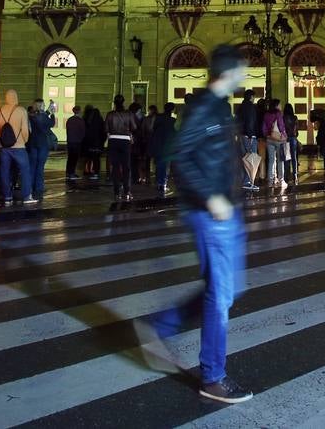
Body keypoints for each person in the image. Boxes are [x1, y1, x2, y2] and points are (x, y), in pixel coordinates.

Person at [135, 44, 252, 404]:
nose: (246, 74)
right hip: (210, 213)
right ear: (228, 72)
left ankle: (158, 327)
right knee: (220, 296)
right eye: (242, 69)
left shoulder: (219, 106)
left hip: (225, 211)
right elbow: (180, 157)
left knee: (228, 289)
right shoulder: (202, 107)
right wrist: (211, 198)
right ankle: (213, 376)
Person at [0, 90, 31, 205]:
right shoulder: (21, 110)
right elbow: (25, 129)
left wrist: (3, 140)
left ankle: (7, 197)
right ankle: (26, 196)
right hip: (19, 146)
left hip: (4, 147)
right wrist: (25, 140)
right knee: (25, 171)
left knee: (4, 171)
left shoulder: (0, 110)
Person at [106, 94, 136, 202]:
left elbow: (106, 128)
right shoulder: (129, 114)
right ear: (124, 102)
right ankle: (127, 191)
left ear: (114, 102)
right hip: (125, 141)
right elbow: (134, 127)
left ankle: (116, 192)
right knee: (126, 167)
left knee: (115, 167)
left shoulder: (110, 114)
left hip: (113, 140)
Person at [26, 98, 54, 204]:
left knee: (32, 166)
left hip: (33, 143)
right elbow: (51, 123)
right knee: (40, 166)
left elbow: (41, 118)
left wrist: (48, 111)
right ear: (41, 105)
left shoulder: (31, 116)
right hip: (42, 144)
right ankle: (39, 188)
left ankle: (31, 186)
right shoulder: (43, 117)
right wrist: (52, 113)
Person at [151, 102, 177, 196]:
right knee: (166, 165)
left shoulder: (158, 119)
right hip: (168, 146)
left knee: (159, 164)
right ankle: (163, 183)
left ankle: (158, 182)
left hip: (158, 144)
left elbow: (153, 130)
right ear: (172, 110)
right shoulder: (173, 120)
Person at [235, 90, 261, 186]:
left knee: (243, 158)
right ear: (251, 97)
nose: (254, 99)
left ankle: (243, 180)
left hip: (241, 135)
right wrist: (250, 136)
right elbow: (251, 122)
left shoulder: (240, 107)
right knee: (251, 159)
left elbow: (236, 122)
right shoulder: (251, 107)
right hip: (249, 136)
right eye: (253, 97)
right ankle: (248, 181)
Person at [262, 98, 288, 189]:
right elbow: (281, 125)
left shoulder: (266, 114)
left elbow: (264, 127)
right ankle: (281, 180)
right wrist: (284, 135)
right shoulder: (278, 113)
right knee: (280, 160)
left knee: (271, 160)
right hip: (278, 139)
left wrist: (267, 135)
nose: (281, 106)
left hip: (269, 139)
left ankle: (270, 179)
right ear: (276, 105)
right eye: (280, 104)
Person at [136, 105, 157, 186]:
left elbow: (143, 129)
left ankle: (145, 177)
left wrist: (143, 138)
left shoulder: (146, 119)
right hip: (151, 140)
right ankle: (148, 177)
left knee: (146, 160)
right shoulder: (154, 118)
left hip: (148, 140)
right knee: (148, 159)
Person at [82, 105, 105, 180]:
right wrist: (102, 142)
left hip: (91, 144)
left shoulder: (89, 121)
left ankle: (88, 170)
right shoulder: (101, 121)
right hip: (98, 144)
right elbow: (104, 133)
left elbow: (87, 133)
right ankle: (96, 172)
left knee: (89, 157)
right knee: (97, 159)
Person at [64, 105, 85, 182]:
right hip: (77, 142)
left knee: (70, 158)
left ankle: (68, 173)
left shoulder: (69, 120)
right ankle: (72, 173)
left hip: (70, 141)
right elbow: (83, 132)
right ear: (79, 111)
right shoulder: (81, 121)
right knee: (75, 158)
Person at [282, 102, 299, 183]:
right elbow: (296, 130)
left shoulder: (283, 118)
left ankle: (286, 176)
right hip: (293, 138)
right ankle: (295, 175)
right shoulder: (295, 117)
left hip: (285, 139)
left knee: (287, 157)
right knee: (294, 157)